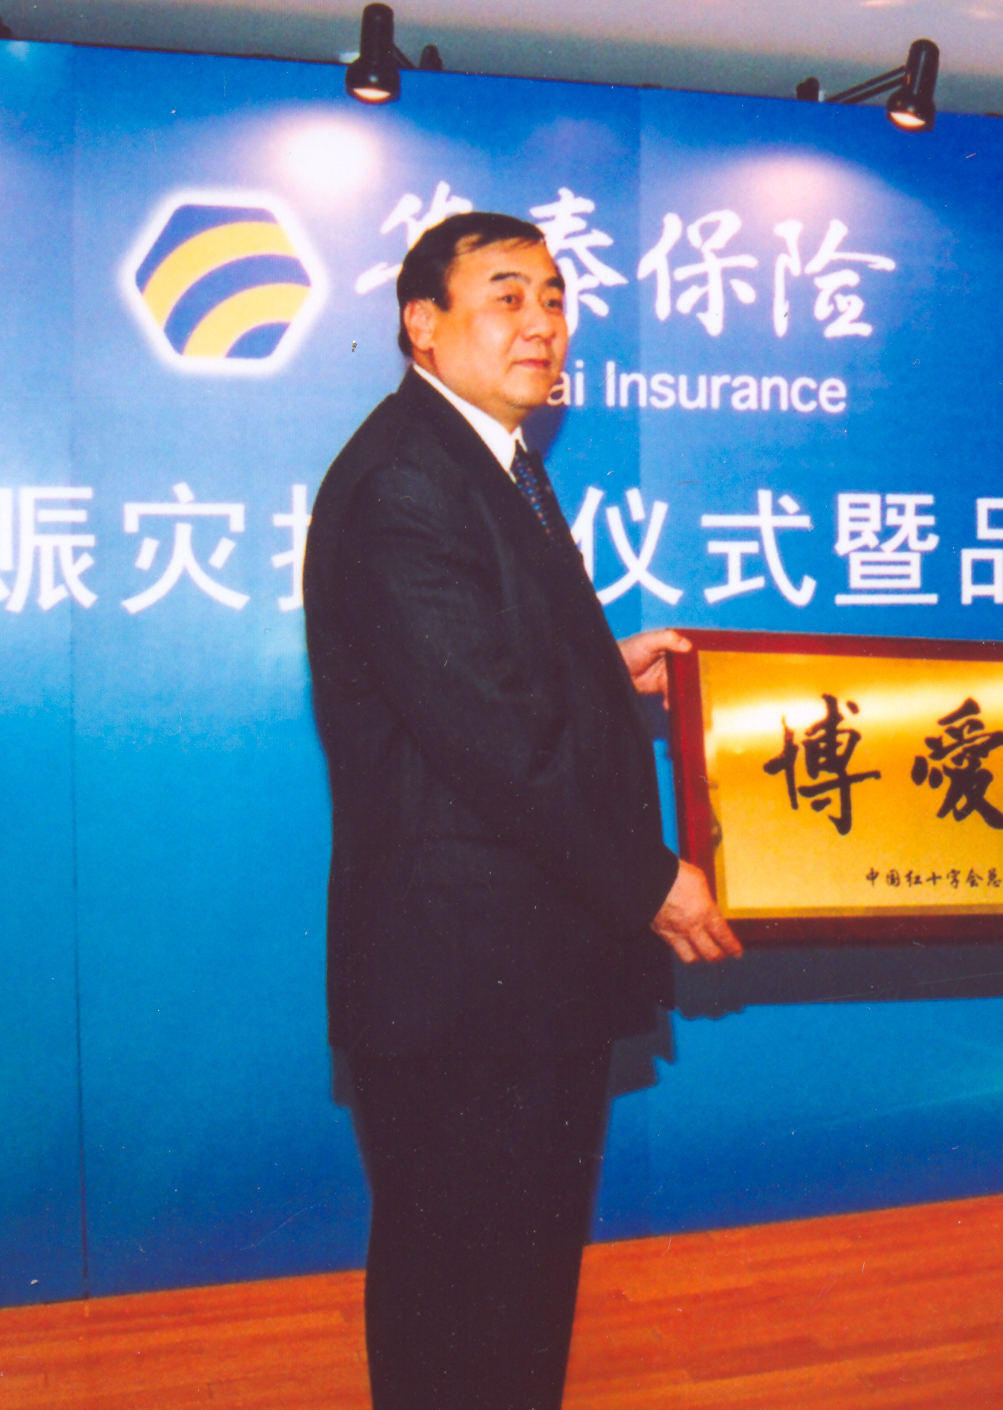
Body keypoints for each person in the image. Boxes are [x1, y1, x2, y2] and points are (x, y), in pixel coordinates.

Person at [303, 210, 741, 1410]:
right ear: (422, 323)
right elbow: (495, 742)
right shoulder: (409, 479)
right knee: (471, 1293)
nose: (542, 323)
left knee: (509, 1284)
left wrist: (605, 667)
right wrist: (649, 879)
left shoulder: (486, 461)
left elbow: (479, 675)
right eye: (506, 296)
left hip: (514, 967)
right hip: (467, 981)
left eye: (553, 297)